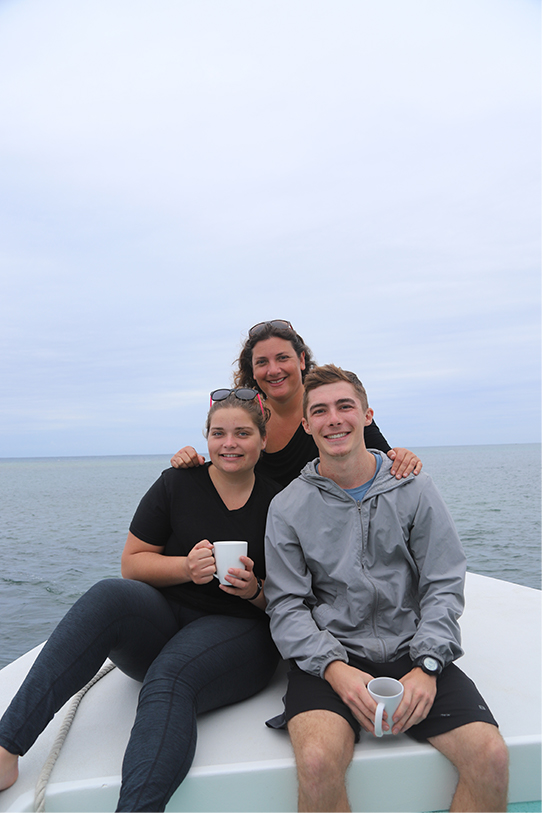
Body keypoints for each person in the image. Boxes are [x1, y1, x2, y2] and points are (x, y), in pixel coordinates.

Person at [0, 390, 281, 813]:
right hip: (169, 616)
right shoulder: (176, 483)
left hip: (241, 629)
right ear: (206, 438)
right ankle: (6, 750)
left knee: (170, 676)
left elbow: (296, 600)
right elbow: (131, 564)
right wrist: (186, 568)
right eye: (219, 433)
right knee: (106, 594)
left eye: (243, 433)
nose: (229, 443)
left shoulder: (282, 502)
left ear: (262, 439)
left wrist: (255, 590)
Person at [264, 364, 509, 812]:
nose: (333, 418)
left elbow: (444, 581)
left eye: (345, 406)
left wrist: (430, 663)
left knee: (491, 757)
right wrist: (334, 667)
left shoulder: (413, 487)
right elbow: (285, 605)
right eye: (319, 410)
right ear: (306, 424)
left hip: (413, 647)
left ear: (367, 415)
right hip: (330, 655)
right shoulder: (288, 506)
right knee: (317, 764)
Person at [172, 319, 422, 488]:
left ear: (301, 360)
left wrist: (402, 456)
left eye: (283, 358)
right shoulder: (248, 417)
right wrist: (191, 462)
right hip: (269, 534)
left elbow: (383, 460)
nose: (273, 370)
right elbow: (227, 464)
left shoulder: (330, 410)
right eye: (262, 362)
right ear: (253, 370)